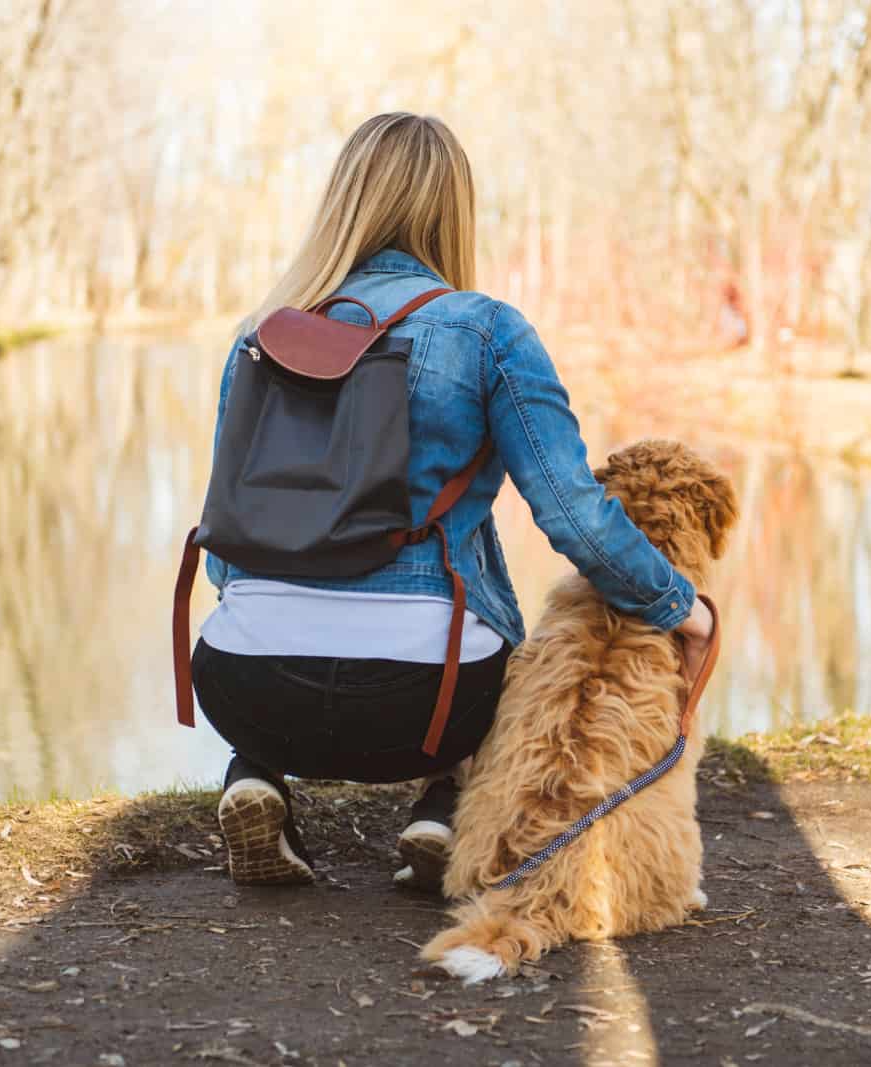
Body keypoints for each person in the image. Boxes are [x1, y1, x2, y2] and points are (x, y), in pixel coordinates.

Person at [192, 111, 715, 889]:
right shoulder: (489, 332)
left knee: (267, 612)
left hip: (244, 682)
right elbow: (573, 515)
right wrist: (680, 606)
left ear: (343, 204)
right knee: (516, 655)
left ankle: (255, 772)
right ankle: (445, 802)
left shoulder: (260, 336)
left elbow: (229, 553)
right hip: (427, 702)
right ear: (453, 210)